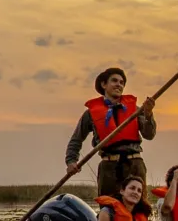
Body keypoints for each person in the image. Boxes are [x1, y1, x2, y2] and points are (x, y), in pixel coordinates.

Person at [65, 67, 157, 197]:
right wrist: (71, 161)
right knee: (108, 209)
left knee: (139, 210)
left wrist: (148, 114)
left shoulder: (135, 110)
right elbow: (76, 140)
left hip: (134, 165)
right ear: (104, 84)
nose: (119, 85)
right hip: (108, 167)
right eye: (114, 81)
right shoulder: (90, 114)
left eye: (121, 82)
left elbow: (149, 135)